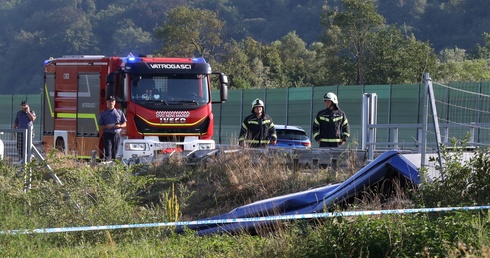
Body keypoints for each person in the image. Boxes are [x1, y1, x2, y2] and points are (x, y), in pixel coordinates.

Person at [98, 96, 127, 161]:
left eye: (112, 101)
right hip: (107, 134)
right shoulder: (103, 113)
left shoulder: (119, 112)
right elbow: (100, 126)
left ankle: (113, 167)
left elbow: (125, 124)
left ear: (114, 102)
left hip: (116, 135)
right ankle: (108, 166)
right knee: (108, 152)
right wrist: (106, 126)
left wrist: (119, 126)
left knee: (115, 152)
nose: (111, 103)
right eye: (109, 101)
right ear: (107, 102)